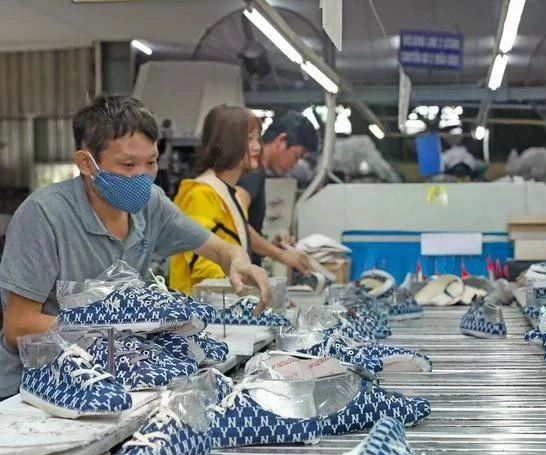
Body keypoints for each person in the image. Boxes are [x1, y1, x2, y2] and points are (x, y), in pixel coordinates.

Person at [0, 94, 271, 399]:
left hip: (117, 378)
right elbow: (19, 327)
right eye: (128, 164)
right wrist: (115, 330)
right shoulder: (43, 215)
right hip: (36, 388)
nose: (142, 176)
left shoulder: (150, 205)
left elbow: (217, 248)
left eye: (151, 162)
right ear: (86, 164)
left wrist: (238, 258)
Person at [169, 105, 312, 294]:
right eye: (249, 139)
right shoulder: (201, 194)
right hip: (198, 317)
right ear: (226, 143)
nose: (257, 147)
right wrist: (251, 292)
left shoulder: (230, 195)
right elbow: (204, 272)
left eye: (257, 138)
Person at [237, 111, 319, 265]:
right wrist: (279, 254)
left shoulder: (253, 171)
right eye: (297, 156)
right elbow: (234, 219)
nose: (295, 165)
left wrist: (269, 246)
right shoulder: (254, 172)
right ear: (281, 141)